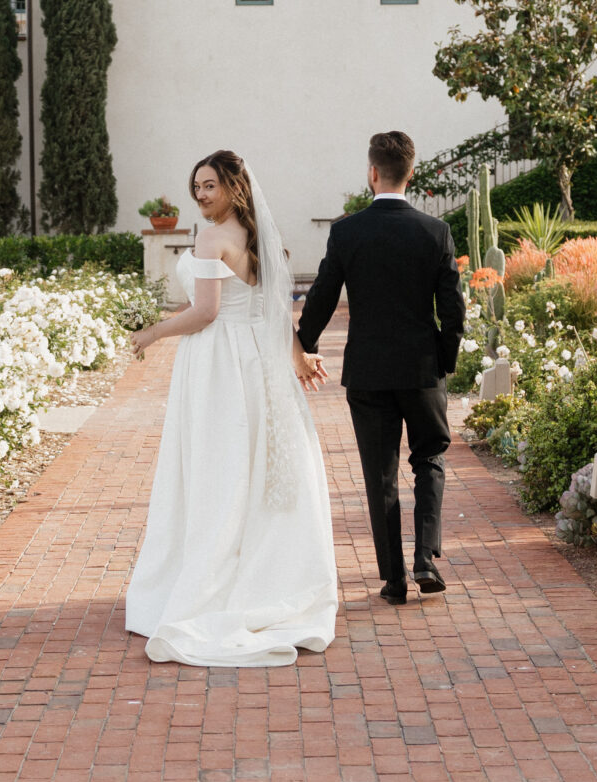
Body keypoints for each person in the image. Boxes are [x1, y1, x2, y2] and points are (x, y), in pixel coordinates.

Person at [121, 150, 339, 666]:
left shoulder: (212, 236)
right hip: (257, 361)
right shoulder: (262, 236)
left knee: (219, 467)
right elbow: (273, 308)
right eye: (196, 186)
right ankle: (264, 577)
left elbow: (205, 311)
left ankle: (214, 580)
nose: (200, 195)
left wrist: (151, 333)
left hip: (218, 362)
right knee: (252, 466)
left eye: (210, 186)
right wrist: (297, 358)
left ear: (233, 187)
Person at [297, 131, 466, 604]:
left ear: (372, 173)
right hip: (421, 369)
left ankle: (393, 580)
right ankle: (426, 559)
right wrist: (442, 363)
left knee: (380, 473)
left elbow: (322, 298)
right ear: (410, 173)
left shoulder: (347, 232)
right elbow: (453, 311)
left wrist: (300, 347)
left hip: (368, 372)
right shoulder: (436, 232)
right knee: (429, 458)